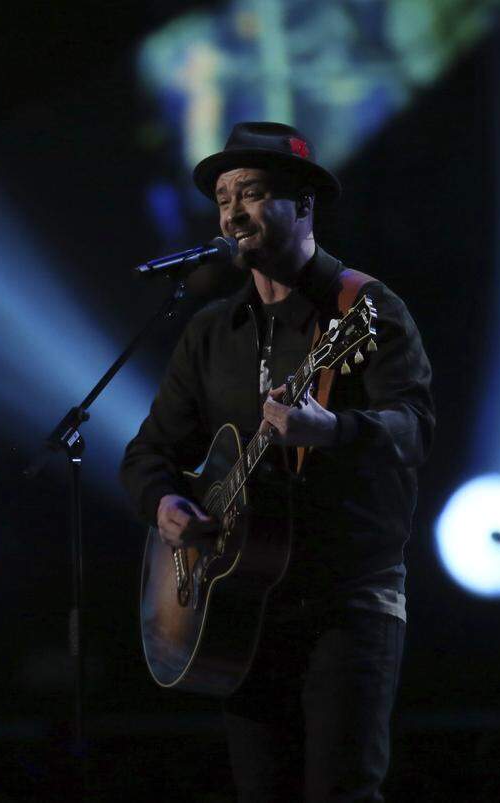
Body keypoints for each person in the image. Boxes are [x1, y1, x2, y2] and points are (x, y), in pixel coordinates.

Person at [121, 122, 434, 801]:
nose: (232, 212)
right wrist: (166, 505)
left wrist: (335, 430)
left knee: (340, 791)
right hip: (241, 603)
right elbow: (148, 453)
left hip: (345, 598)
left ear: (304, 205)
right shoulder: (211, 330)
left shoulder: (364, 308)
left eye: (254, 193)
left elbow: (413, 429)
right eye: (224, 197)